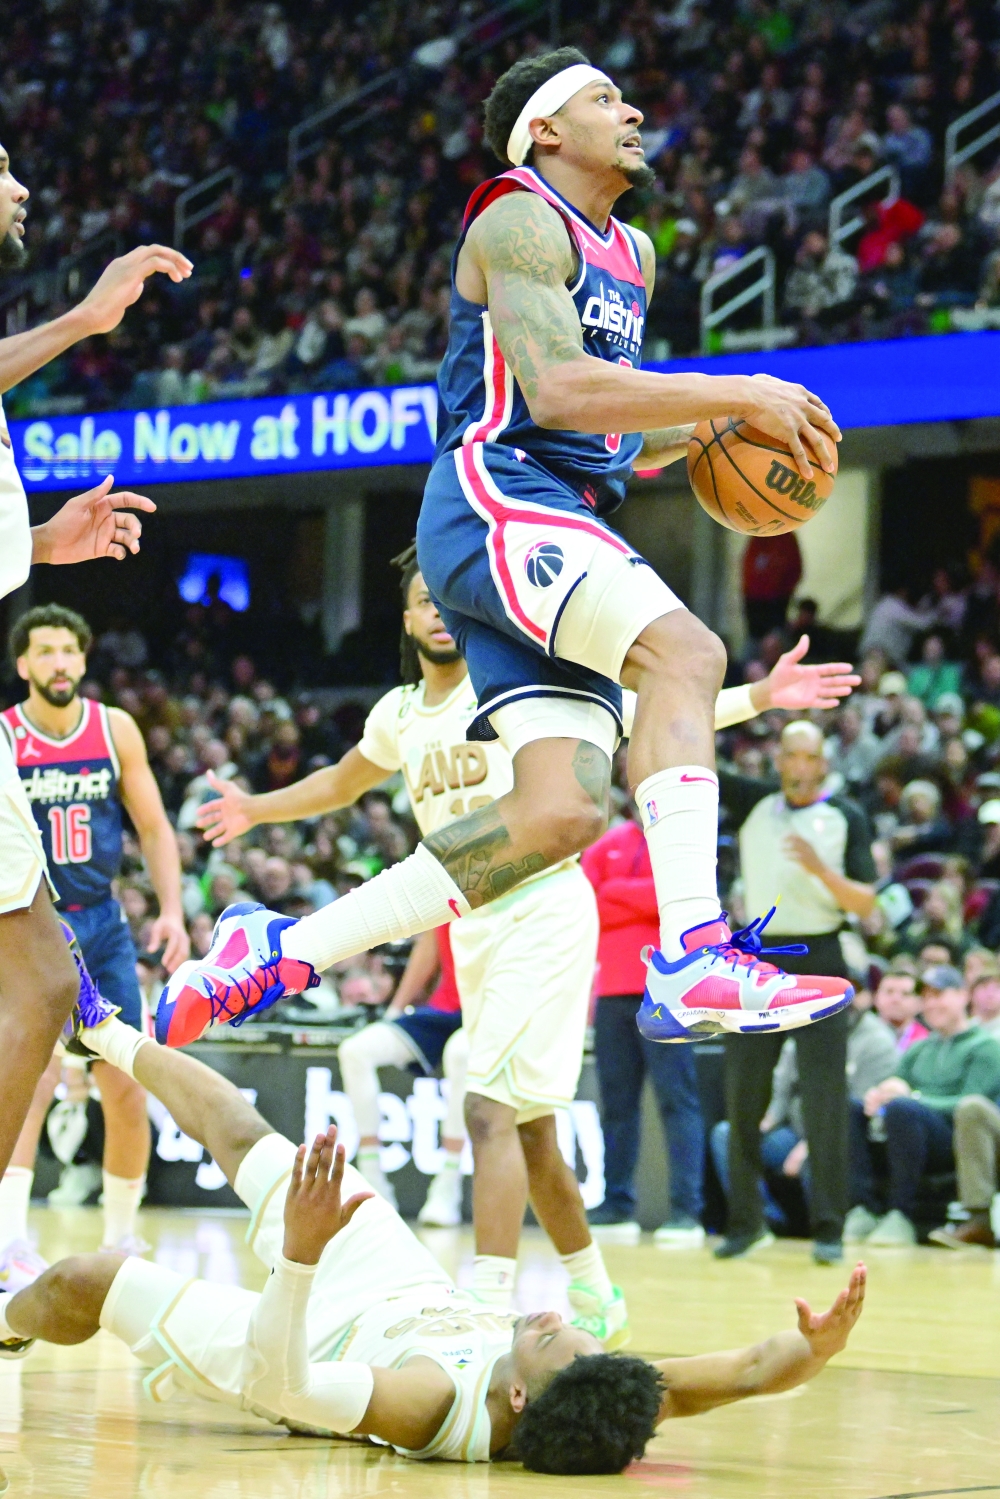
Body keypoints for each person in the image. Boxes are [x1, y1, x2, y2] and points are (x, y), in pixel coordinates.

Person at [157, 47, 852, 1054]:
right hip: (496, 496)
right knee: (689, 653)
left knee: (559, 812)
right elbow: (558, 389)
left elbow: (605, 428)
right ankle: (696, 951)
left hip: (557, 508)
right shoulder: (517, 216)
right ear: (546, 130)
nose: (633, 112)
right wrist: (742, 389)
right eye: (605, 99)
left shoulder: (633, 254)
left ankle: (282, 946)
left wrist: (705, 431)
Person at [194, 563, 855, 1337]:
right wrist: (254, 807)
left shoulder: (515, 687)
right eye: (420, 602)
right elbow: (342, 782)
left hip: (543, 906)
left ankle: (485, 1307)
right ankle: (597, 1296)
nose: (436, 612)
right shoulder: (397, 713)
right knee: (533, 1130)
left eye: (444, 600)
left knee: (485, 1107)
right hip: (470, 922)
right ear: (406, 621)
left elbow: (644, 708)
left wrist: (760, 696)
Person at [0, 999, 868, 1475]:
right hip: (394, 1281)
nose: (548, 1316)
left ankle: (6, 1320)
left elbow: (283, 1380)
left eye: (547, 1336)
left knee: (86, 1279)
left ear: (518, 1399)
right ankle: (101, 1027)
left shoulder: (427, 1404)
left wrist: (299, 1251)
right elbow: (744, 1373)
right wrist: (818, 1348)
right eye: (570, 1327)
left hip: (298, 1340)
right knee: (248, 1137)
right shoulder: (596, 1389)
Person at [0, 138, 191, 1193]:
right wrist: (82, 319)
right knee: (37, 991)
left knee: (42, 990)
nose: (22, 185)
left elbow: (155, 827)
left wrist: (36, 543)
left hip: (100, 906)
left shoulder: (110, 726)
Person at [0, 606, 189, 1284]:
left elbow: (154, 826)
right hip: (30, 922)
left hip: (103, 924)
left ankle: (121, 1239)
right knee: (30, 1080)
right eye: (45, 650)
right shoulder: (6, 734)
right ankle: (9, 1239)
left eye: (68, 651)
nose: (59, 662)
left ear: (82, 661)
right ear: (23, 663)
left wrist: (172, 910)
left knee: (126, 1081)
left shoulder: (114, 728)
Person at [717, 720, 878, 1263]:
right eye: (791, 755)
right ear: (780, 760)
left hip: (820, 956)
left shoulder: (847, 816)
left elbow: (865, 903)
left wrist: (819, 869)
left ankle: (829, 1228)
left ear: (824, 764)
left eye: (810, 756)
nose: (800, 766)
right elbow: (698, 764)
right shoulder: (755, 803)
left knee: (824, 1097)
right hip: (758, 959)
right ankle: (745, 1223)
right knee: (743, 1093)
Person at [848, 965, 1000, 1247]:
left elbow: (973, 1104)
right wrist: (878, 1096)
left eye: (939, 994)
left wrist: (914, 1098)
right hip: (909, 1130)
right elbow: (897, 1086)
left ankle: (900, 1213)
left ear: (963, 996)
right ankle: (863, 1206)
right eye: (926, 997)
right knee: (852, 1108)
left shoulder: (985, 1047)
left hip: (959, 1140)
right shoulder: (919, 1049)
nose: (931, 1004)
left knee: (904, 1108)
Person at [337, 925, 467, 1221]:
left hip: (487, 1010)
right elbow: (429, 947)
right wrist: (396, 1008)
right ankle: (373, 1182)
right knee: (355, 1051)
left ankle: (448, 1186)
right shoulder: (449, 899)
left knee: (460, 1054)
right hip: (443, 1009)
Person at [872, 965, 928, 1052]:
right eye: (889, 991)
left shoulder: (925, 1042)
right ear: (876, 997)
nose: (896, 999)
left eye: (905, 994)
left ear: (919, 1003)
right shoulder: (861, 1033)